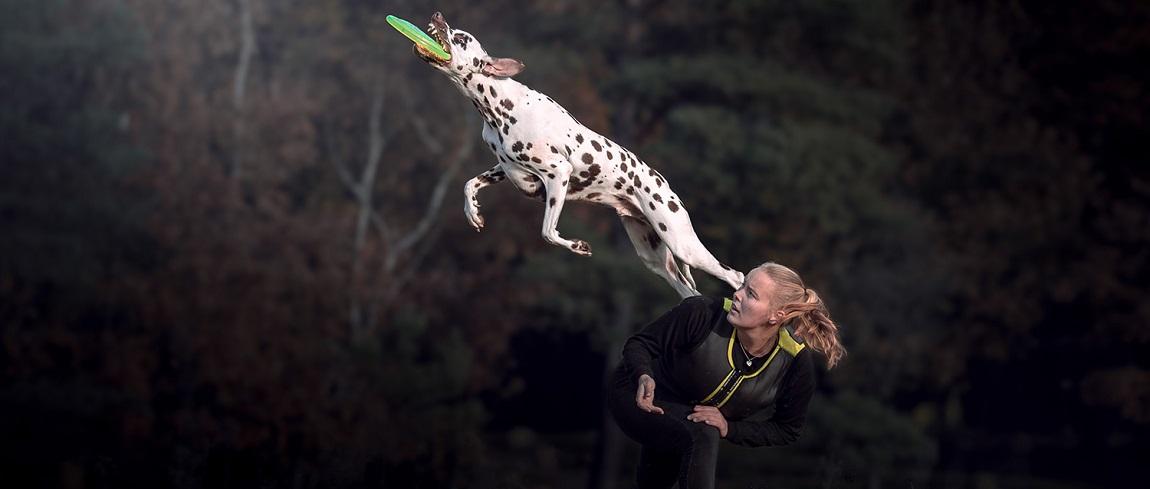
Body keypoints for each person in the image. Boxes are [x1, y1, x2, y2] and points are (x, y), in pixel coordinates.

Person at [607, 261, 846, 489]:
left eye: (751, 294)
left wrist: (729, 428)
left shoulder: (793, 362)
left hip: (688, 420)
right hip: (636, 394)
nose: (738, 295)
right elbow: (639, 345)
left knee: (662, 473)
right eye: (742, 286)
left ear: (777, 316)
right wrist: (643, 375)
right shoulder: (702, 313)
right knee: (703, 432)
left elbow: (787, 429)